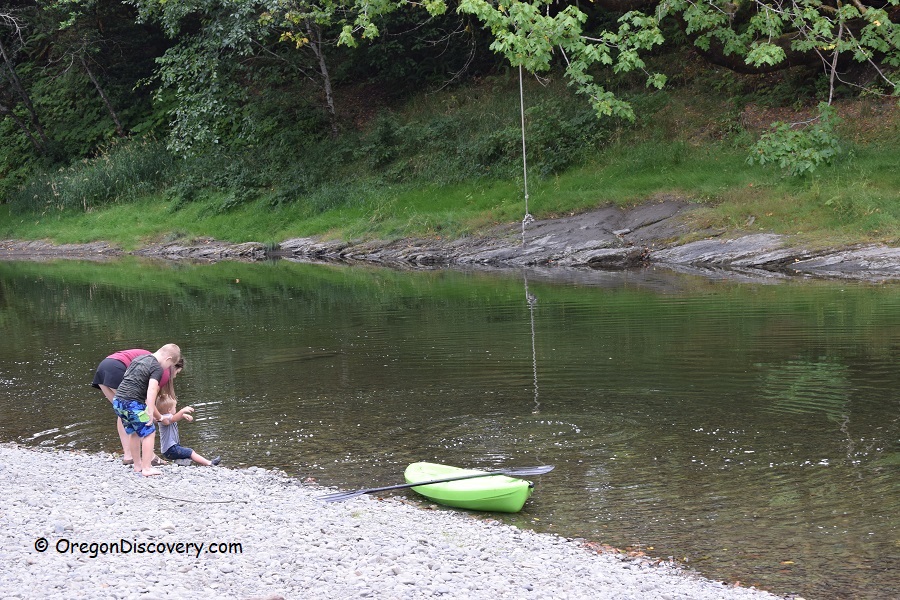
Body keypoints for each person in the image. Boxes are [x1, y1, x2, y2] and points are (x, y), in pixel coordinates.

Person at [92, 348, 173, 466]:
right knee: (140, 419)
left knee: (124, 412)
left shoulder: (149, 357)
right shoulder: (163, 370)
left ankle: (129, 456)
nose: (174, 376)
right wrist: (159, 417)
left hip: (103, 367)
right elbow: (148, 395)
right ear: (173, 364)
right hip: (116, 368)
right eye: (177, 373)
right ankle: (150, 458)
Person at [111, 343, 182, 476]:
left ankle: (137, 466)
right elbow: (152, 389)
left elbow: (127, 377)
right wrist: (150, 409)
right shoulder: (156, 367)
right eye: (169, 366)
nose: (167, 369)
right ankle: (147, 468)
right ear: (168, 359)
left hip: (118, 402)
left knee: (133, 432)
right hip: (133, 404)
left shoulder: (139, 359)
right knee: (149, 432)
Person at [157, 371, 220, 467]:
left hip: (172, 448)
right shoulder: (164, 418)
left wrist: (182, 415)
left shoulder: (166, 416)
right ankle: (209, 463)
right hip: (170, 450)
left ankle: (183, 463)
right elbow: (173, 419)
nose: (176, 409)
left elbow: (174, 418)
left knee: (186, 453)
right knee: (190, 452)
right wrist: (182, 411)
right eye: (175, 407)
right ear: (169, 410)